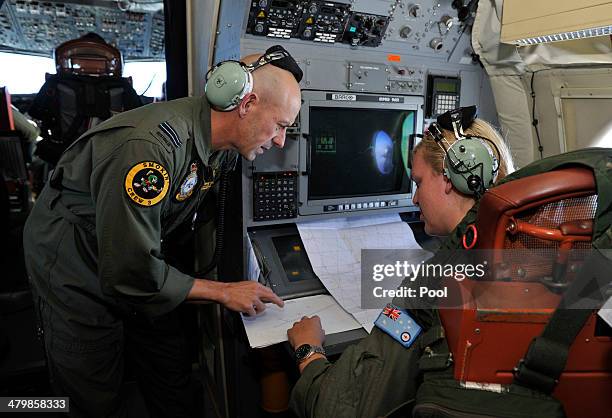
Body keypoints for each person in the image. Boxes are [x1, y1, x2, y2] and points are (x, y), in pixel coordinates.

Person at [23, 45, 302, 417]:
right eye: (280, 126)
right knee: (91, 390)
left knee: (172, 375)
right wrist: (222, 293)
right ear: (246, 104)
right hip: (74, 261)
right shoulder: (148, 150)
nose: (281, 141)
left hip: (141, 250)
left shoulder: (226, 148)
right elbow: (129, 270)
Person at [287, 110, 515, 418]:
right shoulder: (532, 241)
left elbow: (339, 406)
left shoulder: (434, 282)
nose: (416, 198)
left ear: (451, 178)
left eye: (419, 182)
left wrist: (308, 351)